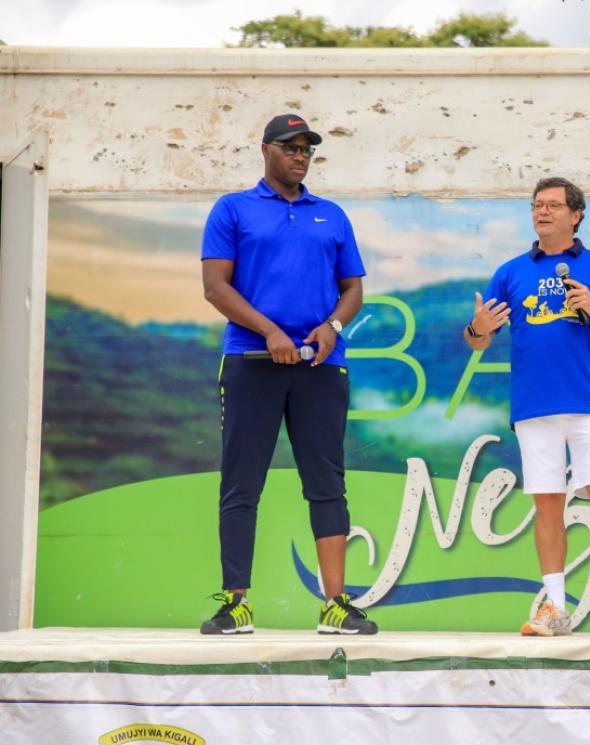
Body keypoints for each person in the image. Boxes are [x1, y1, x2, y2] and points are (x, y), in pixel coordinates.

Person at [198, 114, 376, 635]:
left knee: (327, 484)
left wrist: (333, 327)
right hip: (252, 363)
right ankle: (236, 604)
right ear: (266, 150)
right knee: (241, 484)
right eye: (290, 147)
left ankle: (336, 604)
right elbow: (215, 287)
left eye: (307, 150)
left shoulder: (332, 215)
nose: (300, 156)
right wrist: (270, 332)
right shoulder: (233, 209)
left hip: (321, 365)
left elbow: (353, 290)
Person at [464, 177, 590, 637]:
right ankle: (555, 606)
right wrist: (477, 326)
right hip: (533, 406)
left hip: (586, 402)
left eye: (553, 206)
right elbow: (477, 342)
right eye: (537, 206)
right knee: (548, 502)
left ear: (576, 214)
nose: (543, 212)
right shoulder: (510, 271)